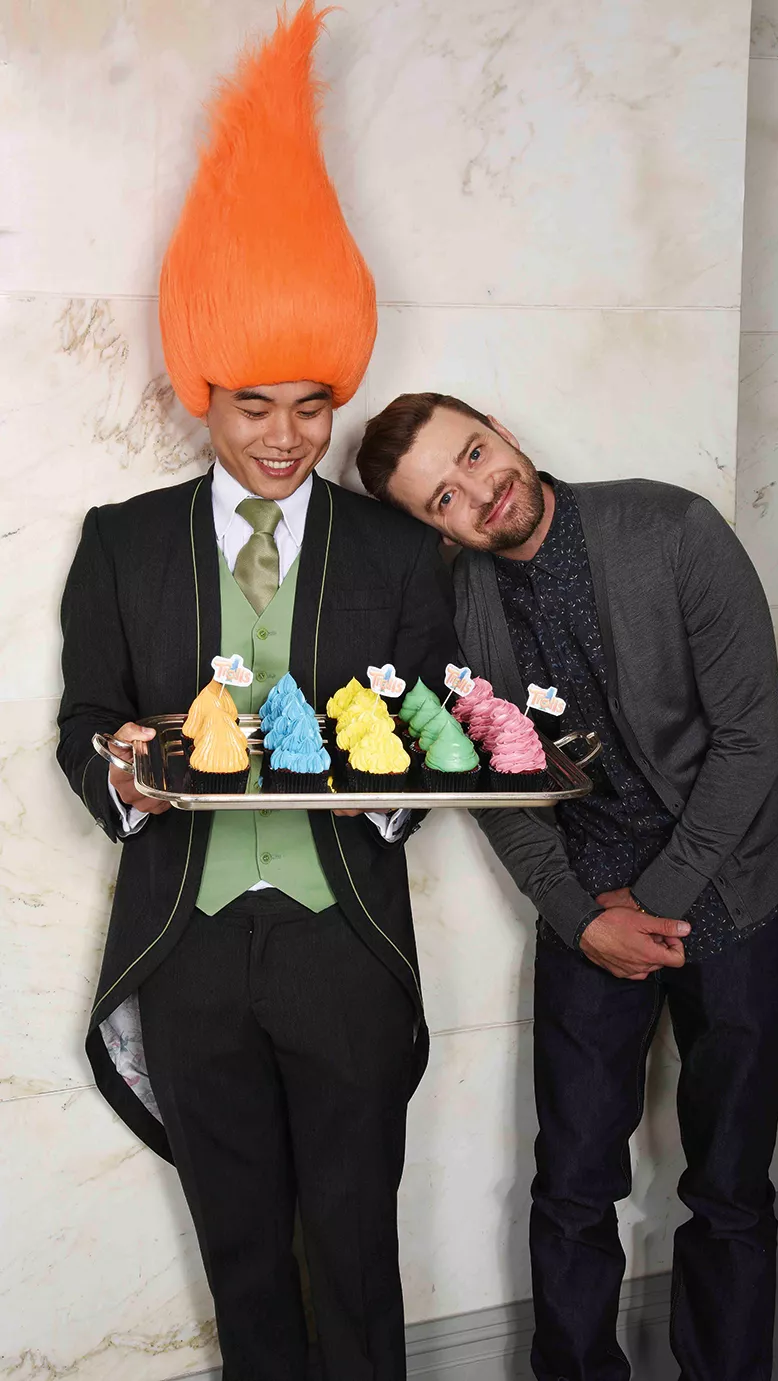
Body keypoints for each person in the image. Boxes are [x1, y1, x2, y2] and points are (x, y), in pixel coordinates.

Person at [56, 15, 455, 1381]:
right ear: (200, 392)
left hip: (345, 928)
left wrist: (389, 793)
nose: (286, 437)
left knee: (353, 1240)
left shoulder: (396, 549)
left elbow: (428, 737)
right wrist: (120, 764)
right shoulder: (120, 542)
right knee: (240, 1244)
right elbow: (81, 723)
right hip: (189, 936)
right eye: (252, 406)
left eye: (312, 404)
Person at [354, 392, 778, 1381]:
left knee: (729, 1188)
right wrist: (576, 913)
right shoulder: (453, 610)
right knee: (570, 1187)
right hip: (587, 914)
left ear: (504, 431)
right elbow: (494, 784)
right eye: (443, 498)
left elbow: (749, 743)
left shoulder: (675, 530)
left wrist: (657, 896)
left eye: (474, 454)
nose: (478, 491)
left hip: (737, 896)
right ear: (433, 528)